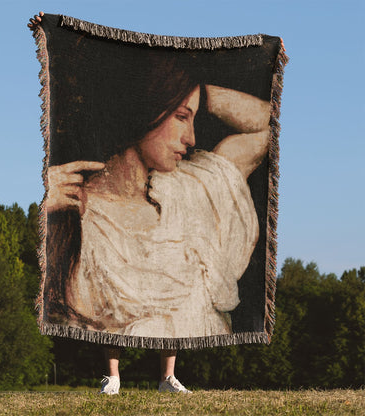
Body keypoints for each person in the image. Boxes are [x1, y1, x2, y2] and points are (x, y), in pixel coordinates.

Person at [29, 12, 270, 394]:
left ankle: (167, 376)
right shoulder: (81, 204)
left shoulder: (193, 187)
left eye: (192, 118)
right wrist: (46, 203)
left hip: (171, 194)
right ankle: (114, 375)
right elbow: (87, 309)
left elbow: (262, 124)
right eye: (180, 117)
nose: (191, 138)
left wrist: (197, 91)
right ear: (148, 108)